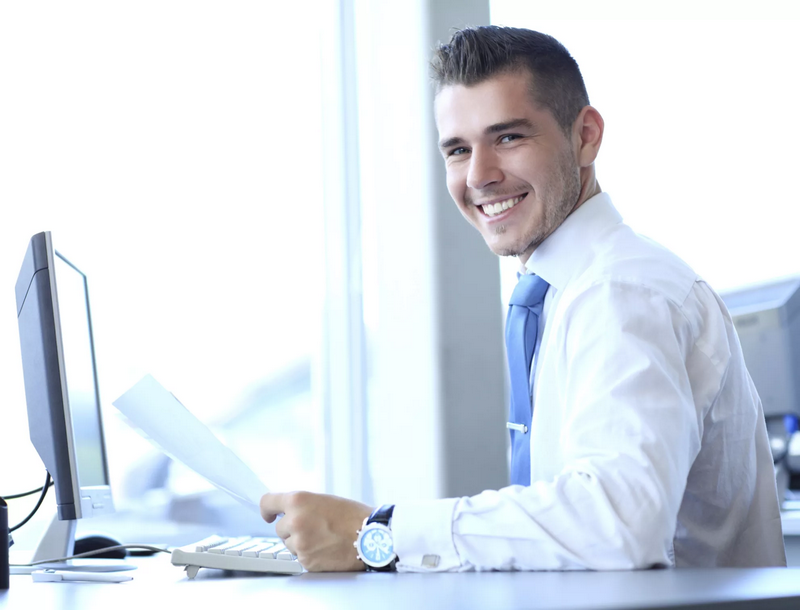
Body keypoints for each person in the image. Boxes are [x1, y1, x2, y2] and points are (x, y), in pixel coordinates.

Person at [260, 25, 786, 572]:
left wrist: (383, 533)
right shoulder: (563, 292)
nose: (480, 176)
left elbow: (619, 524)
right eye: (459, 150)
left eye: (508, 137)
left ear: (586, 136)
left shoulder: (622, 291)